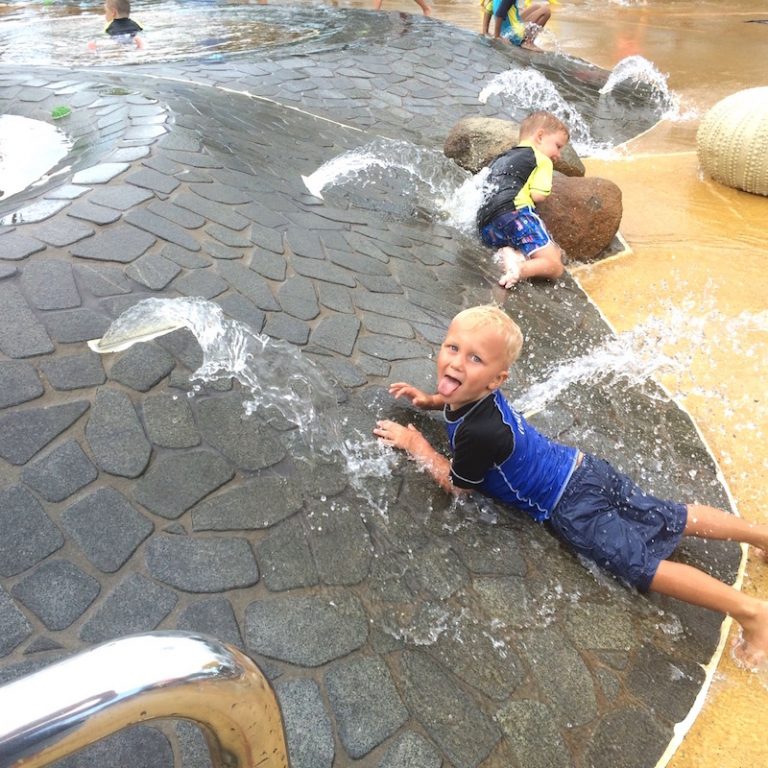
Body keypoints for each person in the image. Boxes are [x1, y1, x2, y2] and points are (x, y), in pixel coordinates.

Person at [373, 304, 768, 669]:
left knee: (642, 568)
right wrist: (431, 401)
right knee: (671, 514)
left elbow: (458, 486)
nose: (457, 362)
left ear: (497, 379)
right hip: (584, 468)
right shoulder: (480, 398)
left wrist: (416, 444)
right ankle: (761, 535)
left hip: (571, 506)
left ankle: (751, 612)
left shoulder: (478, 433)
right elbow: (462, 397)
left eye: (474, 358)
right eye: (452, 348)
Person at [477, 110, 567, 288]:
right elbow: (538, 195)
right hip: (515, 213)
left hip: (487, 225)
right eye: (558, 146)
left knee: (527, 246)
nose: (559, 155)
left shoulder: (502, 158)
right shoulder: (542, 159)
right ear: (540, 136)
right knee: (555, 265)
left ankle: (510, 253)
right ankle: (519, 269)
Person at [482, 0, 551, 48]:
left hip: (507, 30)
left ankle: (526, 40)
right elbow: (500, 14)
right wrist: (497, 36)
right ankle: (528, 42)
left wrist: (485, 32)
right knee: (546, 11)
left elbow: (488, 9)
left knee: (537, 6)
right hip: (515, 34)